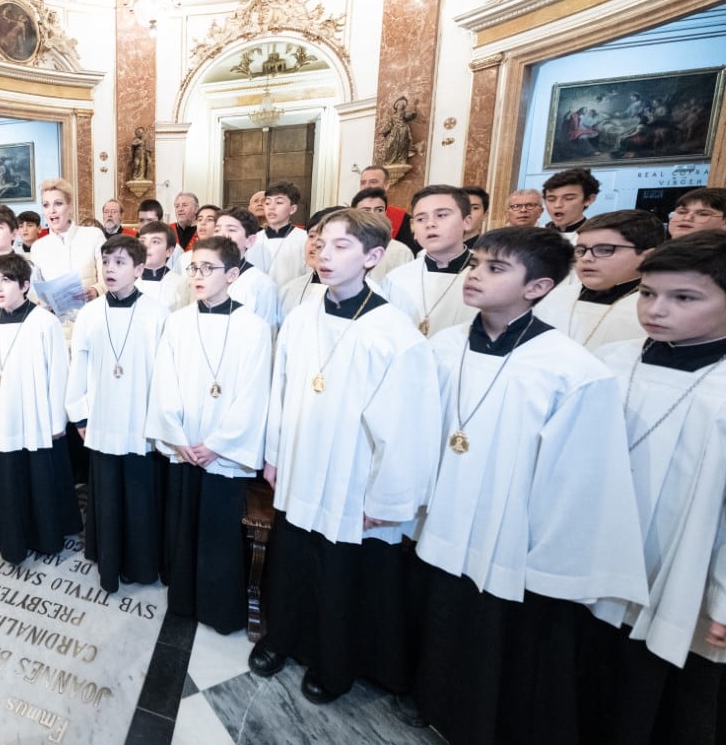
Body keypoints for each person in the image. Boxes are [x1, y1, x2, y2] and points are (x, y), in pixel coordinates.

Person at [412, 226, 648, 745]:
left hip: (514, 522)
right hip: (447, 508)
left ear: (538, 288)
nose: (474, 275)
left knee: (499, 630)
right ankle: (434, 701)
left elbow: (578, 477)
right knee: (443, 606)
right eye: (475, 264)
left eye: (496, 269)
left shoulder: (570, 369)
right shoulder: (444, 346)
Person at [249, 209, 441, 708]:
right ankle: (281, 638)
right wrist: (273, 454)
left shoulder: (393, 333)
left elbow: (407, 426)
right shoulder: (303, 313)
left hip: (354, 477)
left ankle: (334, 664)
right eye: (320, 244)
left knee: (341, 573)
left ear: (373, 257)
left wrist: (389, 496)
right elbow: (282, 388)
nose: (324, 255)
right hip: (299, 464)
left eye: (341, 247)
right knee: (292, 561)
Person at [582, 231, 726, 744]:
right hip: (596, 545)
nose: (656, 310)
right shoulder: (611, 359)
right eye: (647, 293)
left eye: (684, 297)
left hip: (684, 562)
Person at [146, 236, 272, 634]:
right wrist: (178, 437)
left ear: (232, 274)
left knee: (219, 532)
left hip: (223, 454)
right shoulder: (178, 321)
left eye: (208, 268)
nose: (197, 275)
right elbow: (164, 381)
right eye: (193, 267)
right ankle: (183, 600)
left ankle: (219, 608)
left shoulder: (253, 328)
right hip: (185, 448)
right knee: (182, 525)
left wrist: (217, 445)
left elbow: (255, 394)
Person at [66, 235, 170, 593]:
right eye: (106, 262)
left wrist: (160, 422)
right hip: (102, 418)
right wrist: (79, 414)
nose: (110, 269)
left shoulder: (157, 313)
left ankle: (139, 564)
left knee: (140, 494)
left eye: (120, 262)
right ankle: (106, 557)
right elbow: (77, 364)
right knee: (107, 492)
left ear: (139, 269)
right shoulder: (91, 314)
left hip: (141, 422)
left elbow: (165, 373)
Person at [0, 254, 80, 564]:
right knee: (7, 478)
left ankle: (45, 537)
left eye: (6, 280)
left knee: (37, 475)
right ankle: (13, 539)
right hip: (0, 413)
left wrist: (56, 420)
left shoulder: (44, 322)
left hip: (35, 415)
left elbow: (59, 372)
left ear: (25, 285)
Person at [536, 210, 666, 351]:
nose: (586, 258)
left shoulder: (659, 310)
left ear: (648, 256)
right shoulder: (552, 298)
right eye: (581, 250)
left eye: (604, 250)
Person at [381, 186, 478, 337]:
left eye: (442, 215)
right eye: (421, 219)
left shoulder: (489, 278)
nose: (430, 224)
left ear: (467, 221)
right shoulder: (396, 279)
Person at [29, 179, 106, 316]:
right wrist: (41, 303)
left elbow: (109, 277)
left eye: (58, 204)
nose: (52, 210)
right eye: (46, 205)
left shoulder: (93, 235)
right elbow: (35, 292)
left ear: (70, 206)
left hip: (92, 317)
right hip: (57, 325)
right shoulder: (38, 247)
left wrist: (95, 290)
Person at [214, 206, 281, 329]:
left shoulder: (262, 284)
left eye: (231, 230)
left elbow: (266, 333)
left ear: (250, 240)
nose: (222, 235)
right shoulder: (205, 275)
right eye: (217, 230)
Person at [246, 181, 308, 289]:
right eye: (268, 203)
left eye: (279, 203)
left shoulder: (304, 239)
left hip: (292, 301)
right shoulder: (254, 240)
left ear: (293, 209)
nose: (271, 207)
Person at [351, 187, 414, 283]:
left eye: (379, 210)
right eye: (366, 210)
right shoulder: (344, 247)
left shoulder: (401, 251)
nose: (374, 215)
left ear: (386, 213)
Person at [357, 165, 416, 250]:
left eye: (373, 182)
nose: (367, 186)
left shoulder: (402, 218)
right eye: (363, 182)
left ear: (387, 185)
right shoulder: (350, 216)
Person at [137, 221, 190, 313]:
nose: (146, 246)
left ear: (169, 251)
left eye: (155, 241)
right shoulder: (126, 282)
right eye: (142, 241)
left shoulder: (181, 285)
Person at [541, 167, 600, 237]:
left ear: (588, 199)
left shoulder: (597, 236)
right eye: (551, 199)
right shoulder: (537, 233)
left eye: (568, 198)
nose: (557, 205)